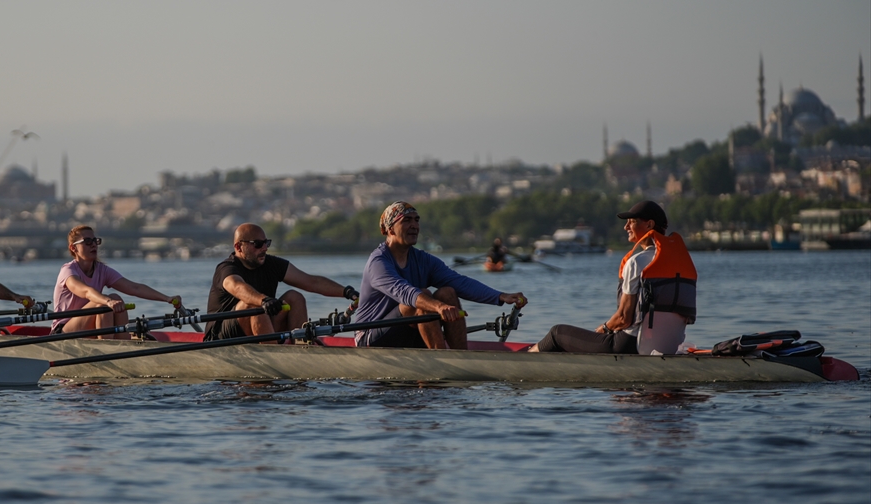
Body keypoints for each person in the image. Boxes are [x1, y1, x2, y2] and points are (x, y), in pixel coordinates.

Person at [529, 200, 696, 355]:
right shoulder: (681, 264)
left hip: (629, 345)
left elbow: (623, 318)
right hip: (668, 346)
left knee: (556, 333)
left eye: (632, 221)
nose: (626, 227)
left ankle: (525, 359)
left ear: (649, 225)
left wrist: (604, 328)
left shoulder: (636, 262)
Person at [353, 202, 527, 349]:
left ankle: (461, 358)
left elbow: (460, 282)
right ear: (390, 229)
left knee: (448, 292)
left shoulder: (424, 260)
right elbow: (404, 292)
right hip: (370, 337)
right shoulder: (378, 262)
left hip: (407, 331)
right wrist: (438, 307)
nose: (414, 225)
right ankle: (442, 360)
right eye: (406, 221)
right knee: (424, 299)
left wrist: (500, 296)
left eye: (416, 220)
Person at [204, 223, 358, 341]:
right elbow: (238, 287)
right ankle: (275, 355)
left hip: (260, 327)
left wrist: (348, 292)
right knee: (252, 304)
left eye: (266, 243)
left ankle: (299, 348)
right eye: (257, 244)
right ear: (239, 247)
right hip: (220, 336)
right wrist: (263, 300)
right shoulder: (226, 268)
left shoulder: (270, 264)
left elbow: (311, 282)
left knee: (295, 297)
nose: (264, 248)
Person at [52, 225, 185, 339]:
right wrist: (108, 301)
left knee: (116, 298)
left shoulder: (102, 270)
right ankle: (107, 351)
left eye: (95, 241)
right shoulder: (68, 271)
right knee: (104, 304)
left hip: (87, 328)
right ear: (73, 248)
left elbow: (135, 288)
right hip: (63, 331)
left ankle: (122, 347)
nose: (93, 244)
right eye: (87, 241)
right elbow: (86, 292)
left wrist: (167, 298)